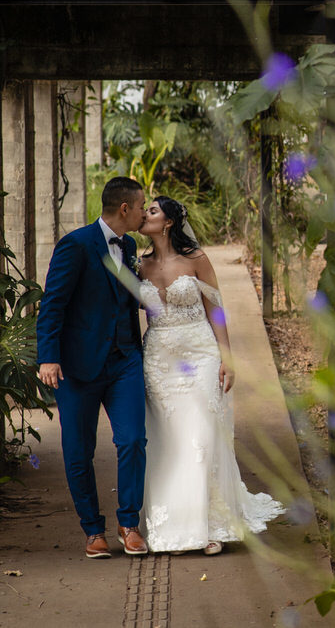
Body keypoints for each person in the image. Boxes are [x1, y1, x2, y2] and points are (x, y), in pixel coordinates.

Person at [136, 195, 284, 554]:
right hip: (160, 360)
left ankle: (212, 524)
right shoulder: (138, 264)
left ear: (169, 221)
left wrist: (226, 357)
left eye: (152, 210)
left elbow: (215, 308)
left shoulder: (196, 260)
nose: (144, 214)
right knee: (169, 440)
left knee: (201, 435)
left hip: (200, 353)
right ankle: (175, 523)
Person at [36, 176, 150, 559]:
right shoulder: (76, 245)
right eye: (141, 206)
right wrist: (48, 356)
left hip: (124, 361)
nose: (143, 212)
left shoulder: (130, 245)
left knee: (133, 439)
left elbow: (129, 297)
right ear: (124, 209)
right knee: (77, 450)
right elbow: (53, 304)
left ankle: (129, 524)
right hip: (78, 366)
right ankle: (93, 530)